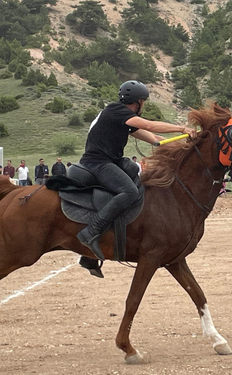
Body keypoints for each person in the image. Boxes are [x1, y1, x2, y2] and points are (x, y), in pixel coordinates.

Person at [77, 80, 197, 260]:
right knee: (130, 191)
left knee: (137, 173)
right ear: (139, 101)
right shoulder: (116, 111)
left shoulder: (123, 119)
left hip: (112, 161)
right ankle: (91, 231)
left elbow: (155, 138)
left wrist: (187, 142)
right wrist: (182, 128)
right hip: (97, 162)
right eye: (144, 101)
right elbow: (149, 126)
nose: (144, 105)